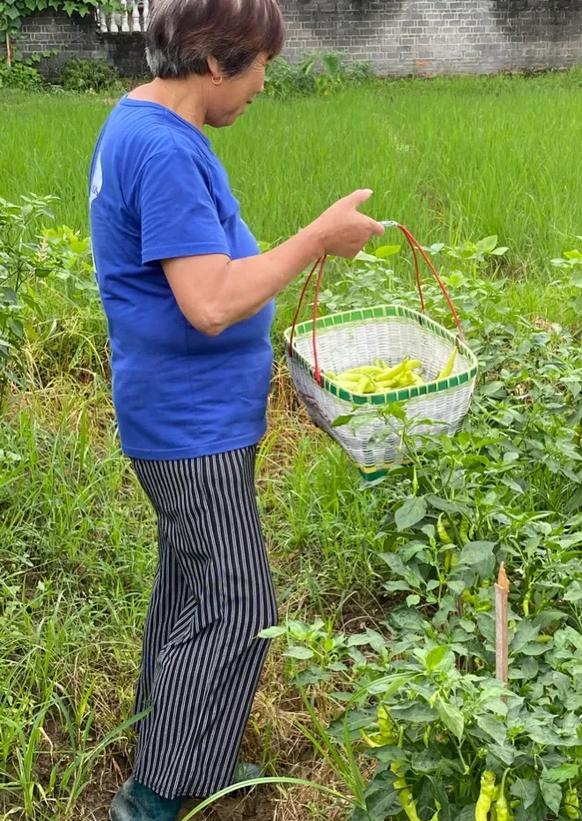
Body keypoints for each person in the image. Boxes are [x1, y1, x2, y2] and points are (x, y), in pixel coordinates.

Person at [88, 0, 383, 817]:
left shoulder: (138, 123)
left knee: (191, 585)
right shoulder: (165, 150)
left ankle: (170, 735)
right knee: (238, 602)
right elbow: (211, 301)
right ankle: (153, 795)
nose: (261, 85)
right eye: (257, 67)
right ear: (216, 62)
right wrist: (317, 238)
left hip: (182, 416)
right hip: (191, 429)